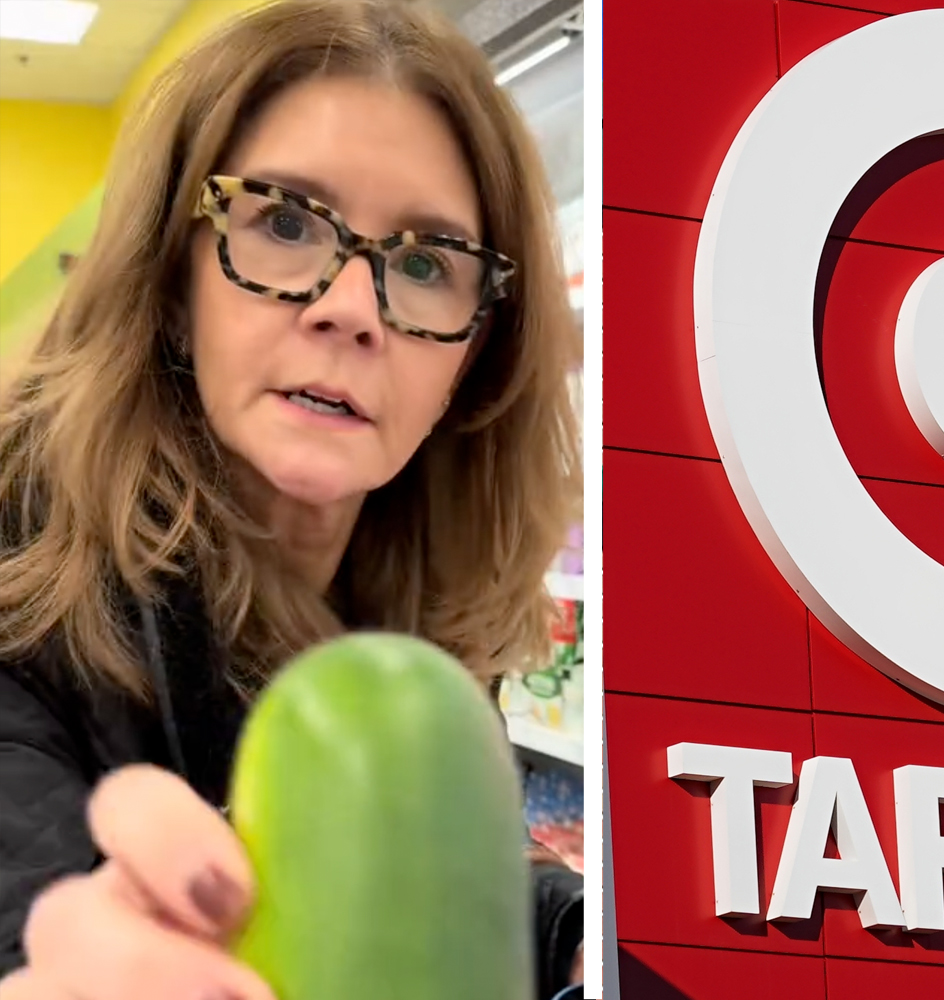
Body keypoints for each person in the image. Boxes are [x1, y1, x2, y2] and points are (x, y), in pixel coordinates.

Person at [0, 1, 585, 997]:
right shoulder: (22, 598)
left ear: (475, 354)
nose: (351, 309)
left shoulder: (411, 613)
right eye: (283, 221)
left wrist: (573, 930)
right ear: (170, 283)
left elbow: (390, 899)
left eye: (424, 262)